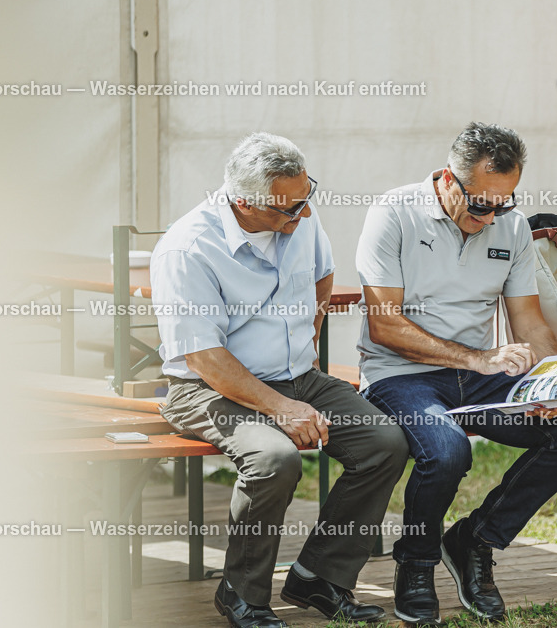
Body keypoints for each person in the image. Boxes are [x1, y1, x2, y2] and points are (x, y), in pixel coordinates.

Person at [151, 132, 408, 628]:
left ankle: (318, 576)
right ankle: (241, 593)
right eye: (289, 210)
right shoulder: (187, 249)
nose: (304, 216)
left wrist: (306, 338)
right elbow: (204, 357)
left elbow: (323, 275)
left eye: (307, 197)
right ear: (243, 202)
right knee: (275, 458)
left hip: (297, 377)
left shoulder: (296, 213)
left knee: (385, 441)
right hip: (204, 389)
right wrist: (280, 407)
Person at [355, 122, 557, 624]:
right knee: (447, 451)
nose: (492, 216)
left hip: (478, 373)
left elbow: (528, 319)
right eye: (481, 203)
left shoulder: (509, 226)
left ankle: (475, 541)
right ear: (448, 179)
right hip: (399, 375)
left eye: (504, 203)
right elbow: (385, 327)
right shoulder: (393, 213)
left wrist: (555, 383)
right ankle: (416, 563)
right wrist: (475, 358)